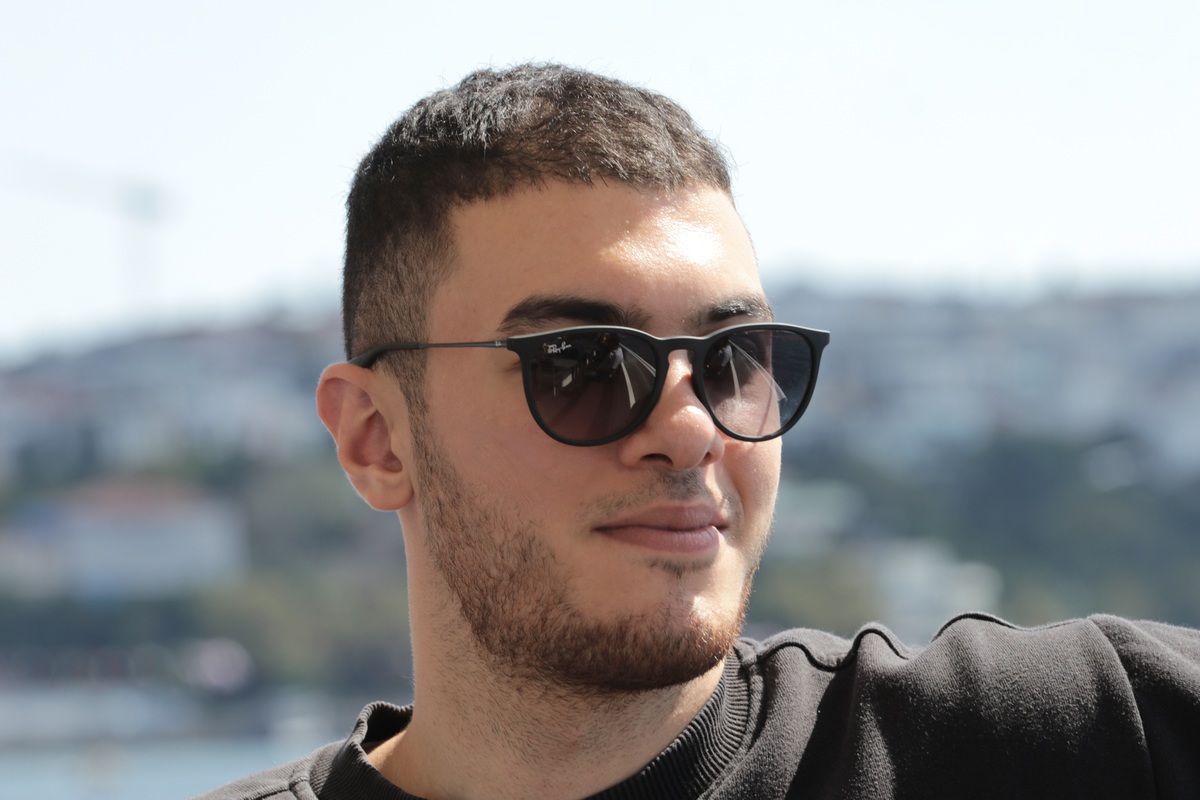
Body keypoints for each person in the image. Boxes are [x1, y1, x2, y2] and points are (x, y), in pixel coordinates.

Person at [196, 64, 1200, 800]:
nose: (687, 431)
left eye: (733, 360)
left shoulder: (1065, 741)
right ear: (376, 438)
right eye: (583, 364)